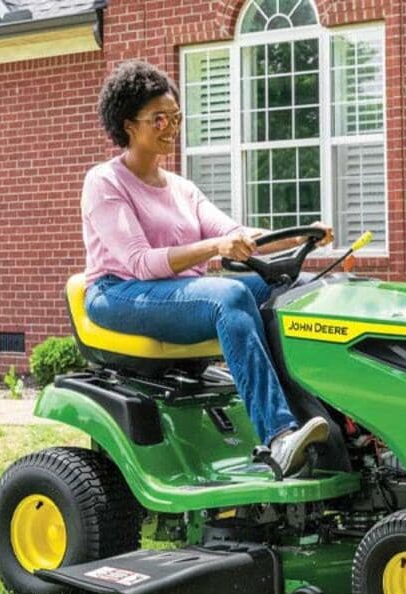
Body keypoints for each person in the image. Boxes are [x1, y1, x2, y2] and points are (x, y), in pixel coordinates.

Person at [81, 60, 331, 478]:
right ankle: (279, 436)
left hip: (176, 293)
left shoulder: (182, 188)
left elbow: (234, 233)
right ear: (128, 124)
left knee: (300, 287)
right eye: (158, 118)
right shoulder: (105, 182)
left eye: (175, 116)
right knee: (228, 296)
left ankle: (336, 419)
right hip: (118, 293)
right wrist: (214, 248)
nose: (170, 125)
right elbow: (140, 263)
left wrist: (303, 235)